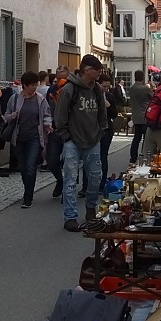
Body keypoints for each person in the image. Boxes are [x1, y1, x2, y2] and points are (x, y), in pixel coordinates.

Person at [54, 54, 107, 231]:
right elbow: (59, 117)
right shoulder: (69, 89)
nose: (99, 73)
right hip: (72, 142)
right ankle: (70, 217)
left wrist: (100, 132)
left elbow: (102, 115)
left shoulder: (97, 89)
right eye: (96, 70)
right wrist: (66, 137)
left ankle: (90, 208)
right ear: (86, 70)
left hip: (93, 140)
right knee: (70, 180)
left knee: (95, 177)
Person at [3, 70, 52, 208]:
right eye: (32, 85)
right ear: (24, 85)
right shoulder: (15, 99)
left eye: (35, 85)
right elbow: (5, 115)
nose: (34, 88)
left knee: (30, 167)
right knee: (24, 167)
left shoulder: (40, 99)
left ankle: (28, 196)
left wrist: (47, 124)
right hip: (18, 138)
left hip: (34, 137)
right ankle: (27, 189)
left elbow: (46, 114)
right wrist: (12, 115)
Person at [45, 65, 70, 197]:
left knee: (70, 160)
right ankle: (60, 180)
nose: (60, 73)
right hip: (55, 129)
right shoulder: (52, 89)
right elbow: (47, 107)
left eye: (63, 71)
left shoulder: (72, 88)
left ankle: (69, 185)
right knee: (52, 159)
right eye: (58, 72)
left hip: (70, 129)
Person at [127, 70, 152, 164]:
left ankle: (133, 157)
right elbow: (152, 98)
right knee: (146, 139)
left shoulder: (131, 88)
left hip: (136, 116)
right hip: (145, 116)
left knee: (136, 138)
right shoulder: (145, 88)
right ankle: (144, 156)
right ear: (142, 77)